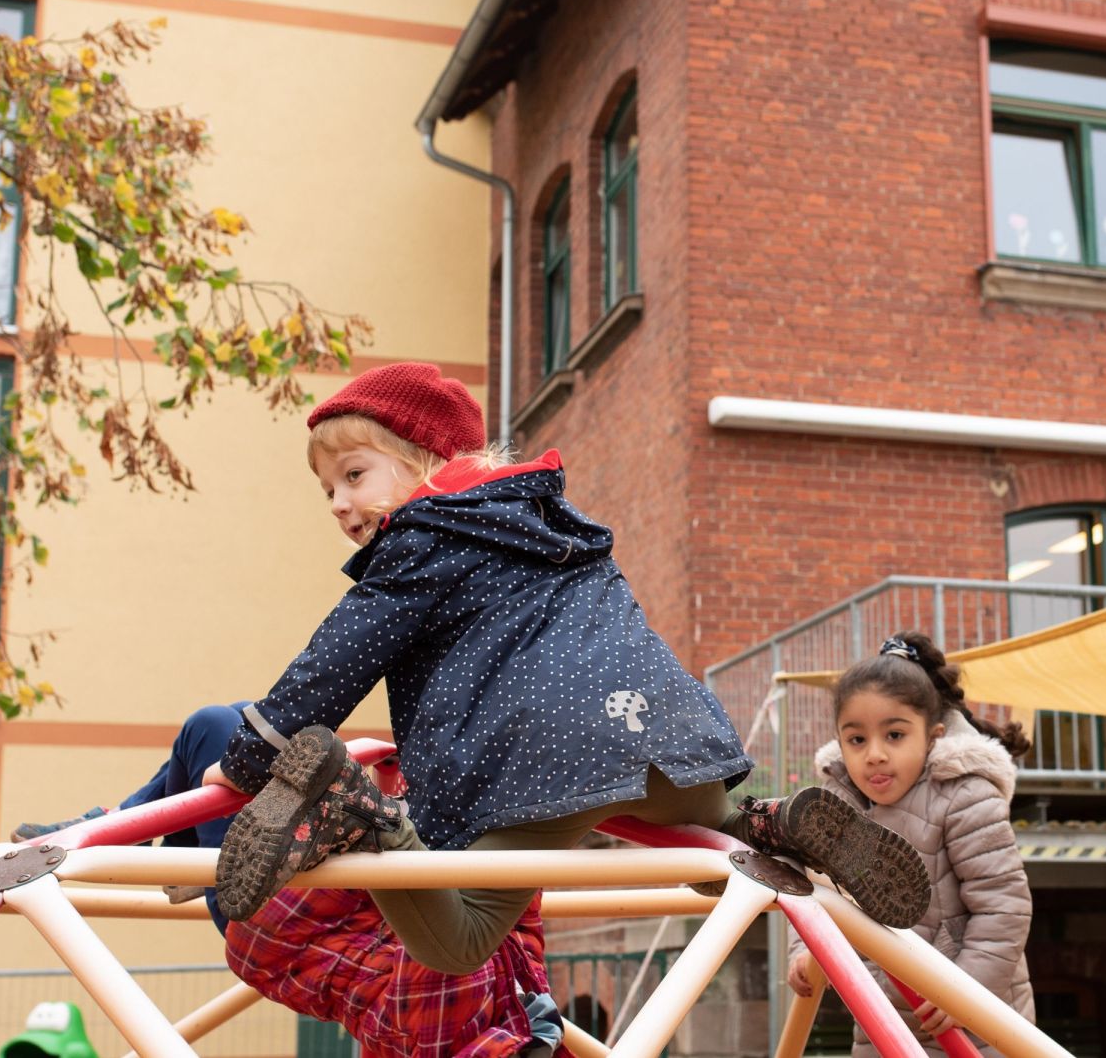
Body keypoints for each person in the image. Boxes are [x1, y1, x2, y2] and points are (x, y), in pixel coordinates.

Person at [200, 362, 931, 979]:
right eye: (327, 489)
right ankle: (771, 822)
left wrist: (250, 759)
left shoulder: (423, 538)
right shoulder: (555, 524)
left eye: (354, 475)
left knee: (458, 940)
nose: (339, 502)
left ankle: (359, 815)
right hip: (671, 740)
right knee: (716, 852)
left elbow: (336, 660)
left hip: (547, 763)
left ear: (424, 459)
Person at [11, 701, 564, 1056]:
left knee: (218, 730)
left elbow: (410, 894)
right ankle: (150, 838)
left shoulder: (437, 1026)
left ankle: (127, 830)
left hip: (273, 915)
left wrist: (372, 812)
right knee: (248, 727)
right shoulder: (523, 1000)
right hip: (311, 888)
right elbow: (516, 891)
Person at [787, 632, 1036, 1057]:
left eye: (895, 736)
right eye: (857, 740)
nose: (875, 755)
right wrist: (801, 949)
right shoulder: (835, 808)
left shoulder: (964, 796)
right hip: (881, 1020)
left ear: (932, 736)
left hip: (976, 1021)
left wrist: (964, 994)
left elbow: (1004, 907)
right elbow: (810, 889)